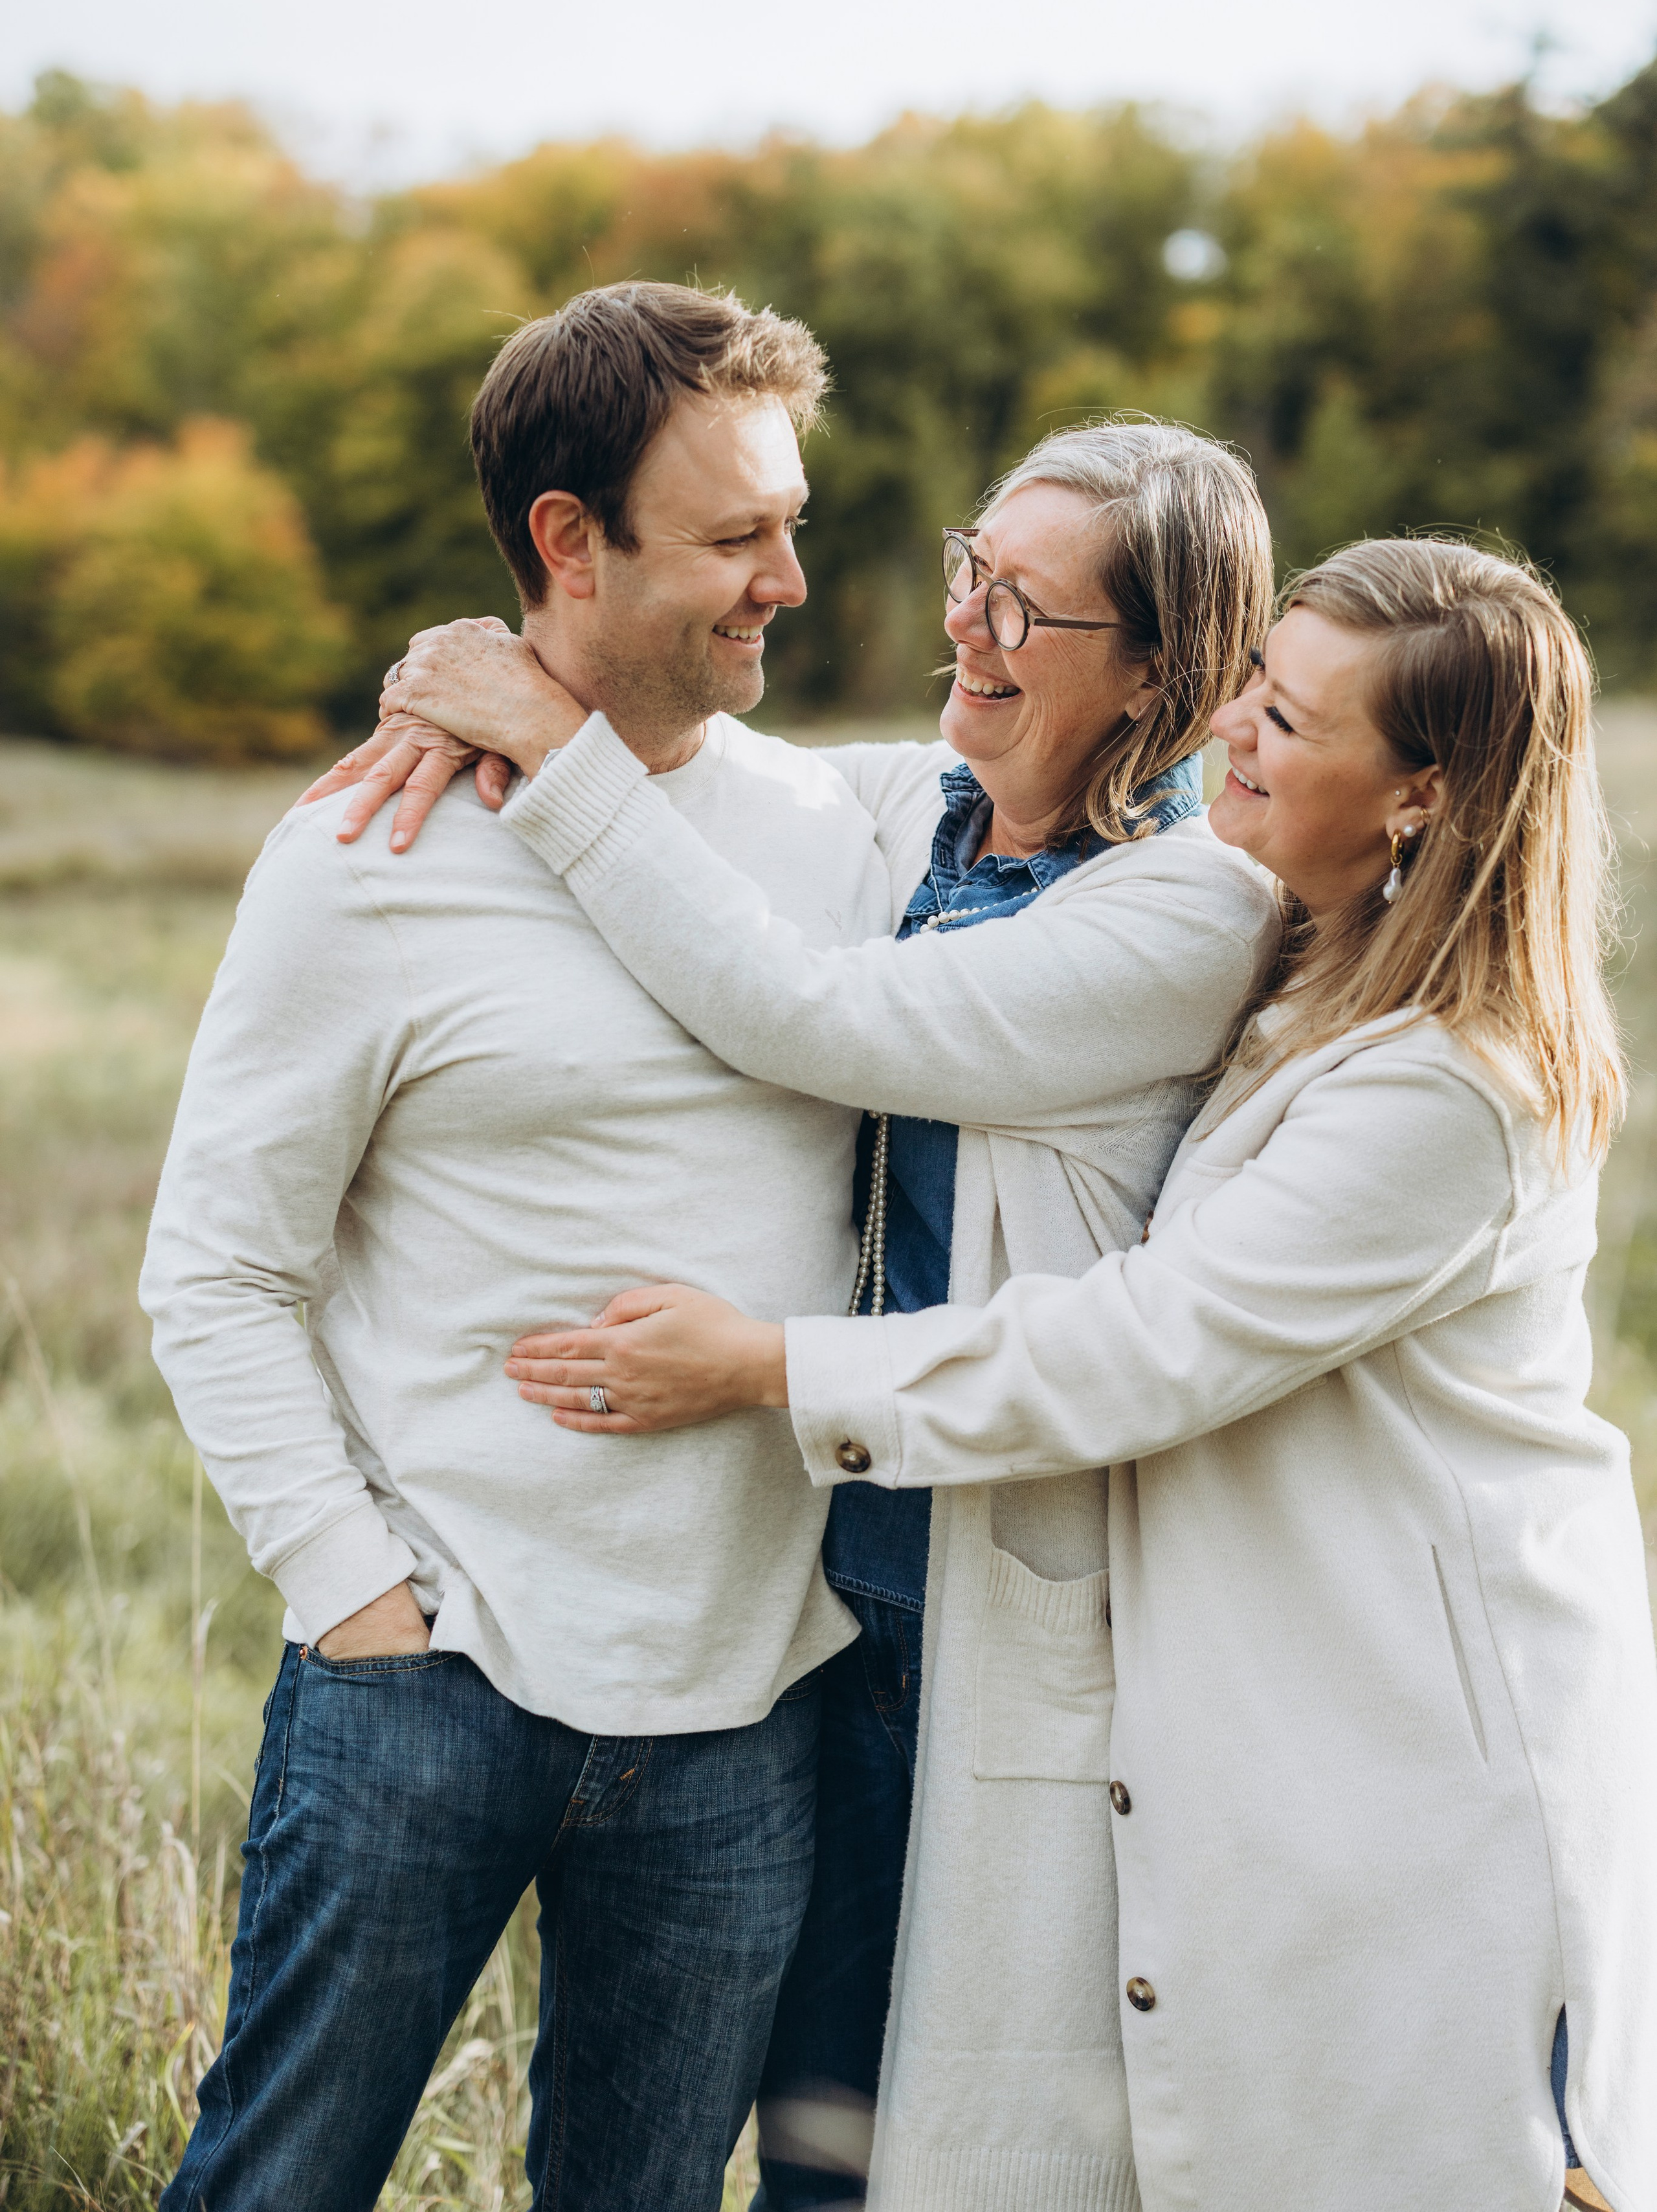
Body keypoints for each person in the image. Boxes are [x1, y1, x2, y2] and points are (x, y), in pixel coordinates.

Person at [475, 540, 1657, 2212]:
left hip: (1424, 1755)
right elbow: (893, 789)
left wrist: (770, 1367)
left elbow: (1139, 1344)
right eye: (1255, 685)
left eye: (1293, 722)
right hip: (1301, 1711)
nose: (1232, 735)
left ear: (1421, 796)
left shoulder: (1450, 1092)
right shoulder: (1309, 956)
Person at [313, 419, 1279, 2205]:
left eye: (1030, 611)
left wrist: (548, 734)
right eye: (969, 567)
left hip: (1005, 1611)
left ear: (1159, 668)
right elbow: (709, 763)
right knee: (803, 2119)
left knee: (928, 2152)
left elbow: (814, 1017)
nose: (968, 626)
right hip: (828, 1612)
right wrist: (482, 673)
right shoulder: (926, 802)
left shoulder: (1188, 909)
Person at [140, 281, 913, 2212]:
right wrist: (359, 1606)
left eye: (791, 522)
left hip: (747, 1710)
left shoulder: (843, 830)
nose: (789, 583)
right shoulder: (363, 855)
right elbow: (216, 1266)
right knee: (277, 2184)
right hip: (435, 1678)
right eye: (738, 538)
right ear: (568, 541)